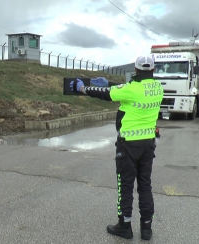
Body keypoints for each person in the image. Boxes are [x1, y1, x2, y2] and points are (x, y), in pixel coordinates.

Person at [70, 55, 163, 240]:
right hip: (148, 144)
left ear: (135, 70)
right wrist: (109, 82)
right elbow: (128, 88)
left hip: (128, 145)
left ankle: (125, 226)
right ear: (153, 70)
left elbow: (108, 93)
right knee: (145, 185)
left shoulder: (130, 89)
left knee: (125, 185)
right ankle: (146, 229)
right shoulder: (158, 88)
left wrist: (82, 88)